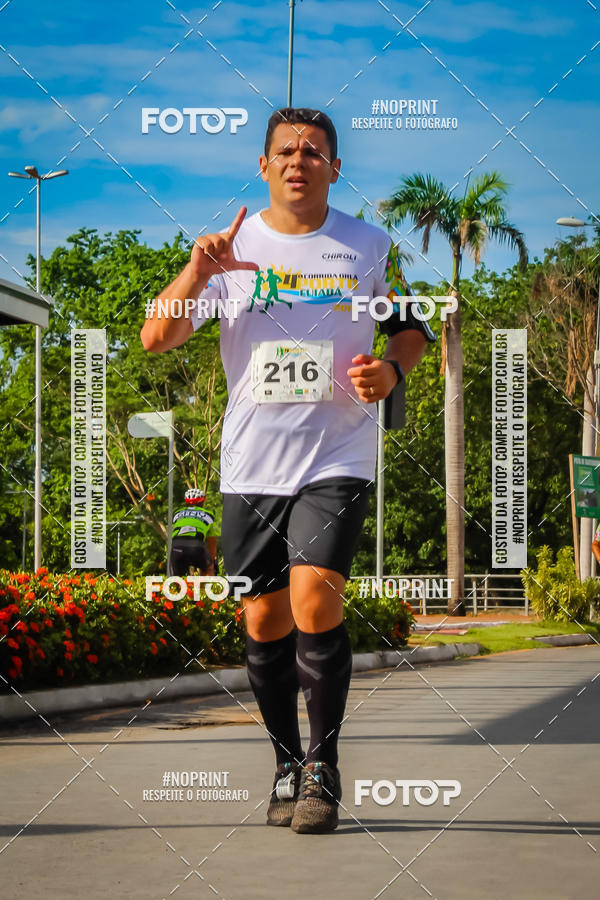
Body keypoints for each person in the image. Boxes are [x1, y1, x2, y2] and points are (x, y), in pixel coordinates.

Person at [141, 107, 435, 834]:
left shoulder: (369, 246)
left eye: (314, 150)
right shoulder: (228, 248)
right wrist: (195, 268)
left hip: (336, 454)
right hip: (251, 465)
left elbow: (410, 328)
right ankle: (284, 761)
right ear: (264, 167)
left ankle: (322, 769)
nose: (299, 160)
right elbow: (157, 335)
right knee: (264, 619)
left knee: (314, 602)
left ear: (335, 167)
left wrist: (391, 373)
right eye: (285, 151)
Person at [168, 488, 218, 577]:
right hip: (196, 547)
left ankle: (179, 588)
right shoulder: (209, 515)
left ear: (185, 502)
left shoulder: (177, 513)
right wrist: (212, 560)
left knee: (178, 582)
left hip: (176, 548)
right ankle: (203, 590)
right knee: (208, 567)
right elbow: (212, 541)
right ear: (203, 501)